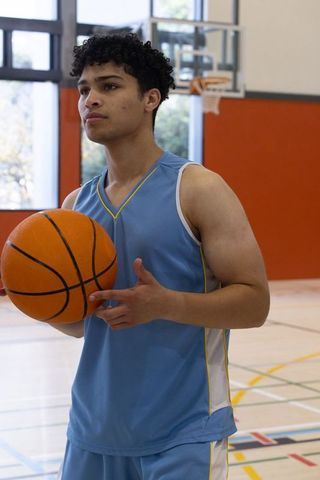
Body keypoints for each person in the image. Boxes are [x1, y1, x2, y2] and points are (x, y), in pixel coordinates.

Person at [7, 33, 270, 479]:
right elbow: (78, 324)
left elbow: (255, 303)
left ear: (151, 98)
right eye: (85, 89)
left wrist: (168, 303)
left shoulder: (198, 188)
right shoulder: (74, 207)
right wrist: (30, 295)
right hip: (93, 430)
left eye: (109, 86)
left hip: (183, 431)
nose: (91, 99)